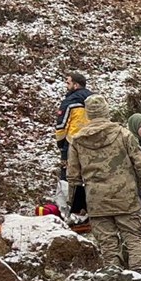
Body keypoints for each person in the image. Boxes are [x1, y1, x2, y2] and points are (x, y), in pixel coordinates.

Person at [66, 94, 141, 272]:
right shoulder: (123, 134)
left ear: (88, 114)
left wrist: (75, 203)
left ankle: (113, 280)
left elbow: (73, 176)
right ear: (107, 111)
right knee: (135, 238)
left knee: (108, 246)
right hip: (126, 197)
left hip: (96, 200)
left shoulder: (76, 140)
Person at [54, 71, 92, 207]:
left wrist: (60, 144)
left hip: (72, 143)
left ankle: (70, 207)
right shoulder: (95, 100)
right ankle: (86, 209)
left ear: (75, 85)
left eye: (68, 82)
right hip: (93, 144)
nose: (66, 85)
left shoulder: (70, 101)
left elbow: (61, 125)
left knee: (70, 176)